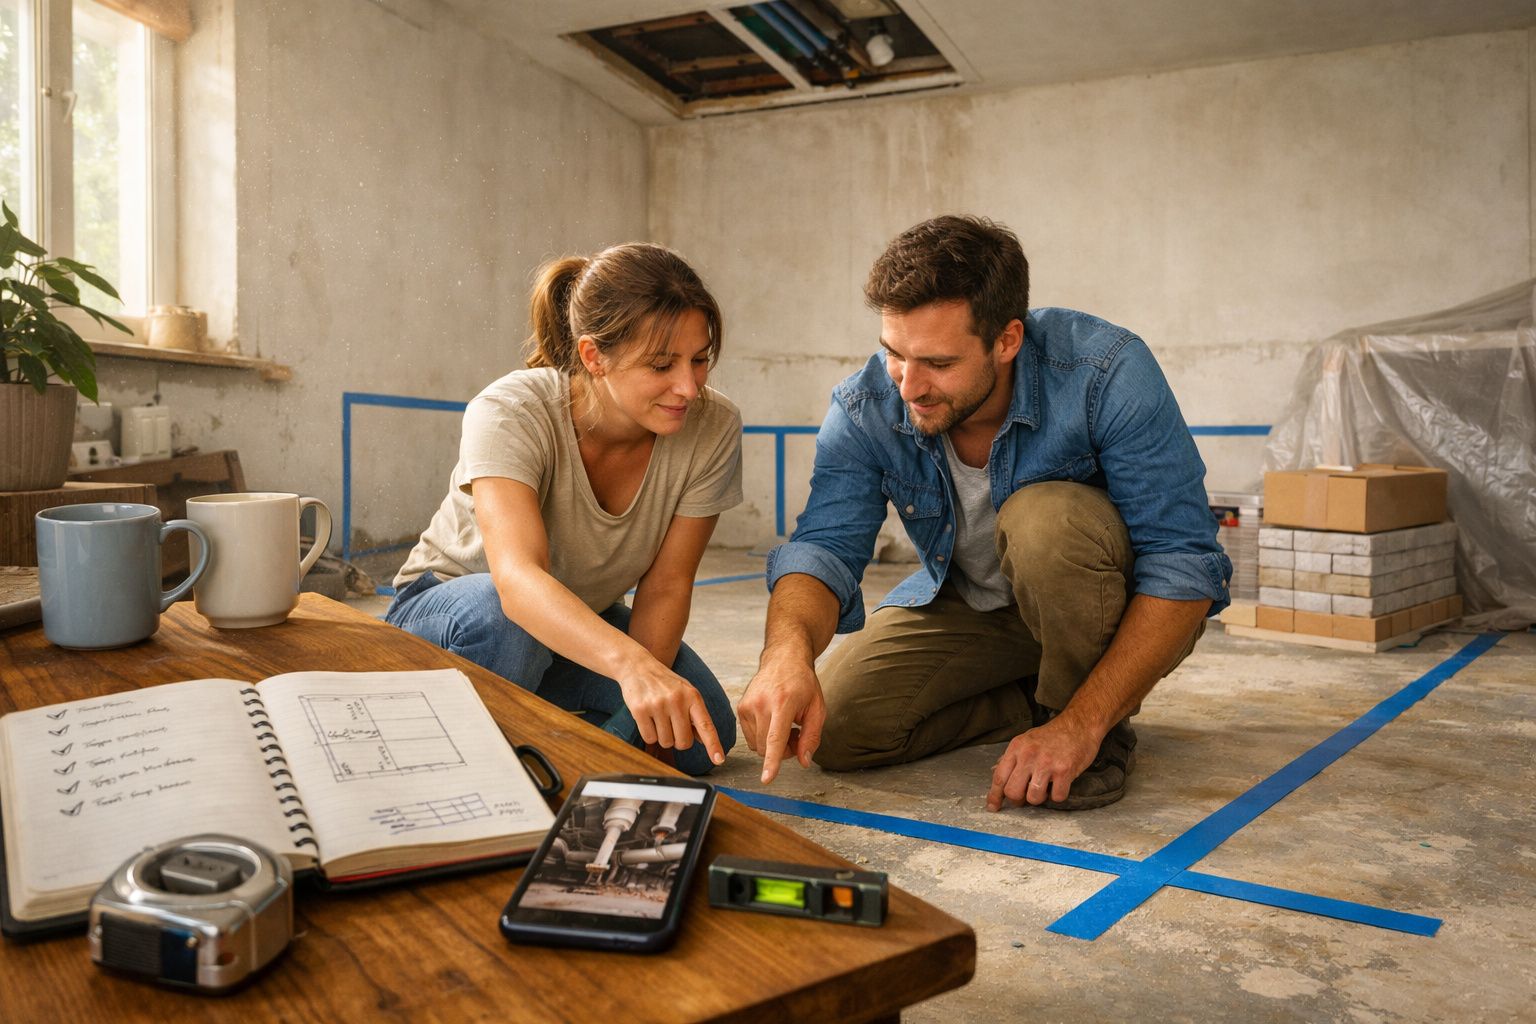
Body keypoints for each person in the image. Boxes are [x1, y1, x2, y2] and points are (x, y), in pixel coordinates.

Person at [737, 215, 1231, 809]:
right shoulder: (865, 404)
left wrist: (1083, 723)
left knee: (1044, 521)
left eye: (938, 364)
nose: (909, 386)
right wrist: (785, 654)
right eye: (894, 353)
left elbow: (1184, 566)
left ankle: (1091, 722)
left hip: (1099, 603)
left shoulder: (1106, 373)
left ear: (1006, 341)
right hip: (973, 600)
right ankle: (1035, 697)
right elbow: (823, 548)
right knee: (837, 731)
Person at [386, 243, 742, 775]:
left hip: (572, 619)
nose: (688, 387)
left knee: (697, 732)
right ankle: (469, 743)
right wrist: (629, 668)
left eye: (700, 359)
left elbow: (667, 583)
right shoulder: (510, 409)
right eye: (662, 364)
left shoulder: (714, 426)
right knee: (501, 621)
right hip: (457, 614)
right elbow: (516, 577)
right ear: (594, 356)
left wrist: (632, 716)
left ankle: (536, 729)